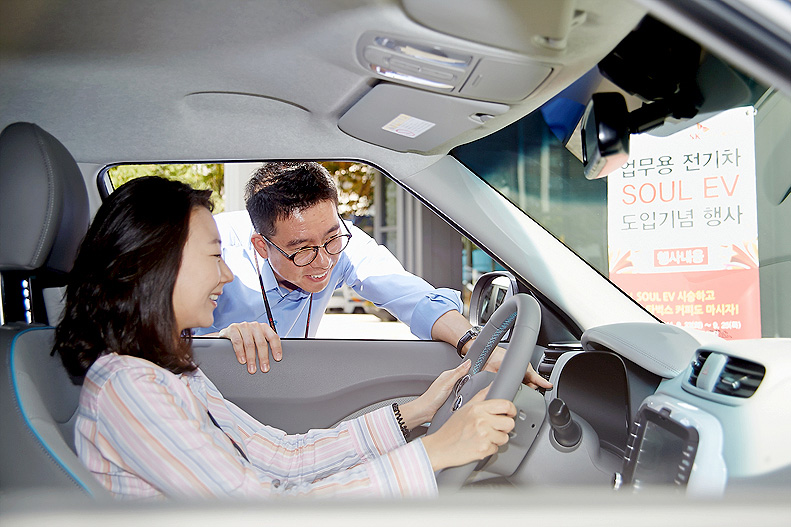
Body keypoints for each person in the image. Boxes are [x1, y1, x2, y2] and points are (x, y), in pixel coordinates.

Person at [53, 176, 517, 500]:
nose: (226, 274)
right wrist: (433, 453)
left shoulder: (167, 372)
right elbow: (263, 510)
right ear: (154, 266)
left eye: (332, 240)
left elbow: (280, 456)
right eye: (213, 257)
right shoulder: (130, 387)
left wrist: (418, 412)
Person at [195, 162, 550, 391]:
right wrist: (211, 342)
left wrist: (480, 347)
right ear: (262, 246)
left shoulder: (342, 240)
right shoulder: (213, 248)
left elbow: (412, 297)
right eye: (302, 250)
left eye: (332, 239)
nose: (324, 261)